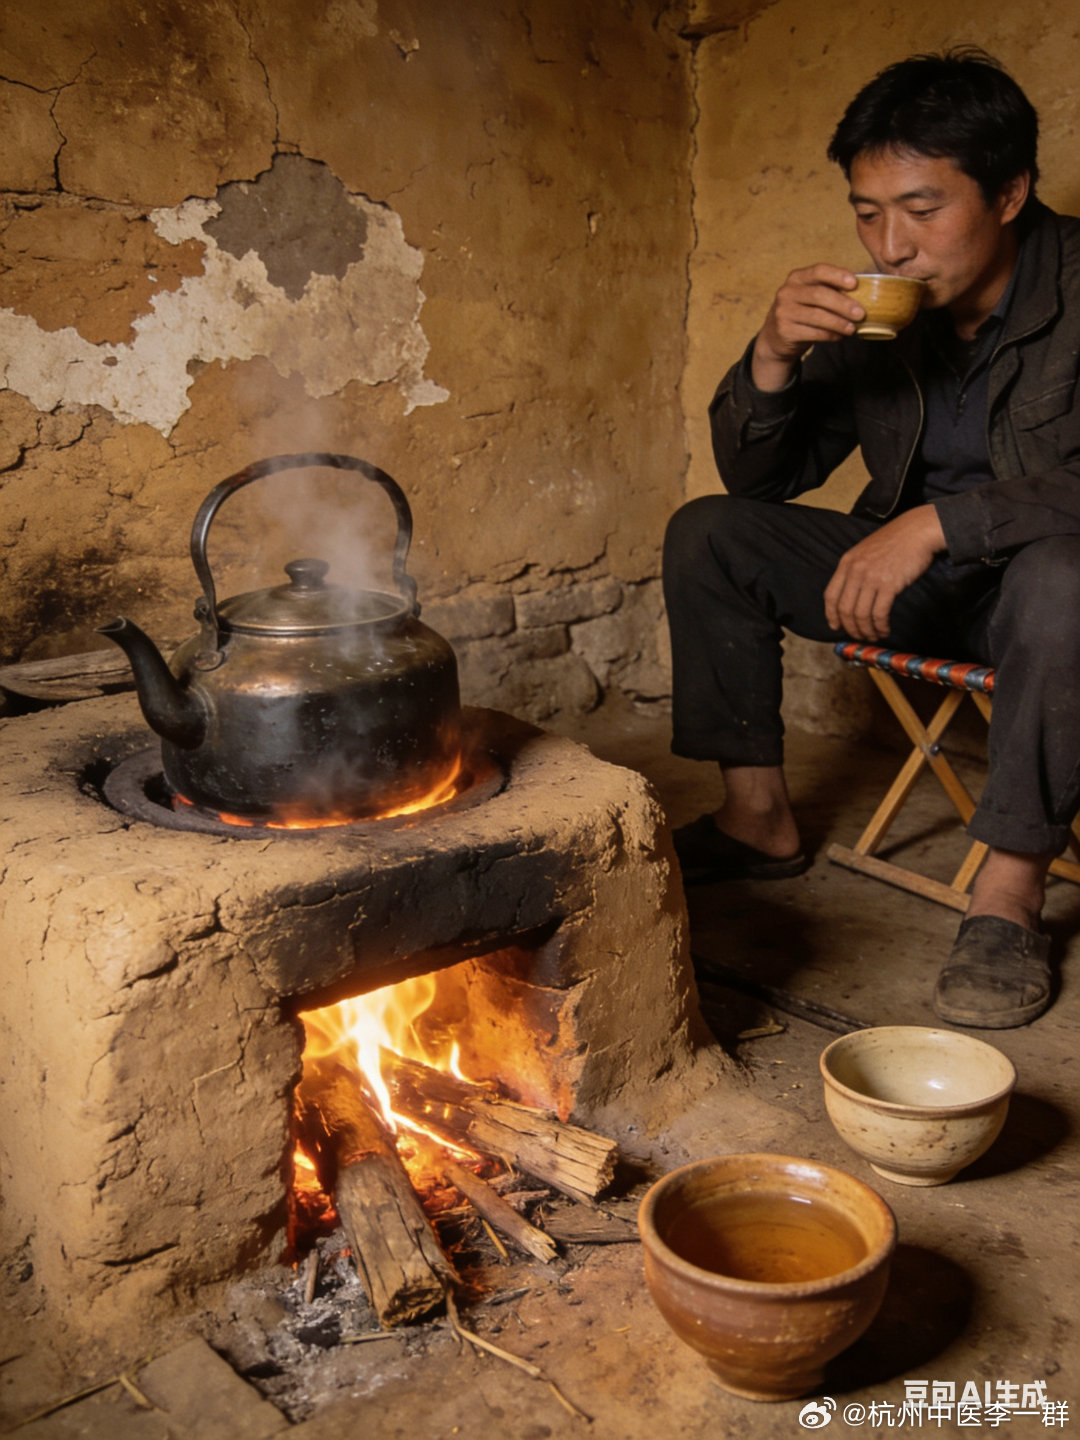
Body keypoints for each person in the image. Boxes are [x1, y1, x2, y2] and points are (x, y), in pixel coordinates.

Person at [663, 48, 1080, 1030]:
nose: (891, 245)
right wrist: (773, 355)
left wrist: (939, 523)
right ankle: (757, 818)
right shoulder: (884, 307)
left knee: (1066, 577)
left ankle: (1008, 896)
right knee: (709, 533)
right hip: (915, 586)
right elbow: (763, 481)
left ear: (1009, 192)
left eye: (922, 210)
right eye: (867, 212)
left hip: (1047, 603)